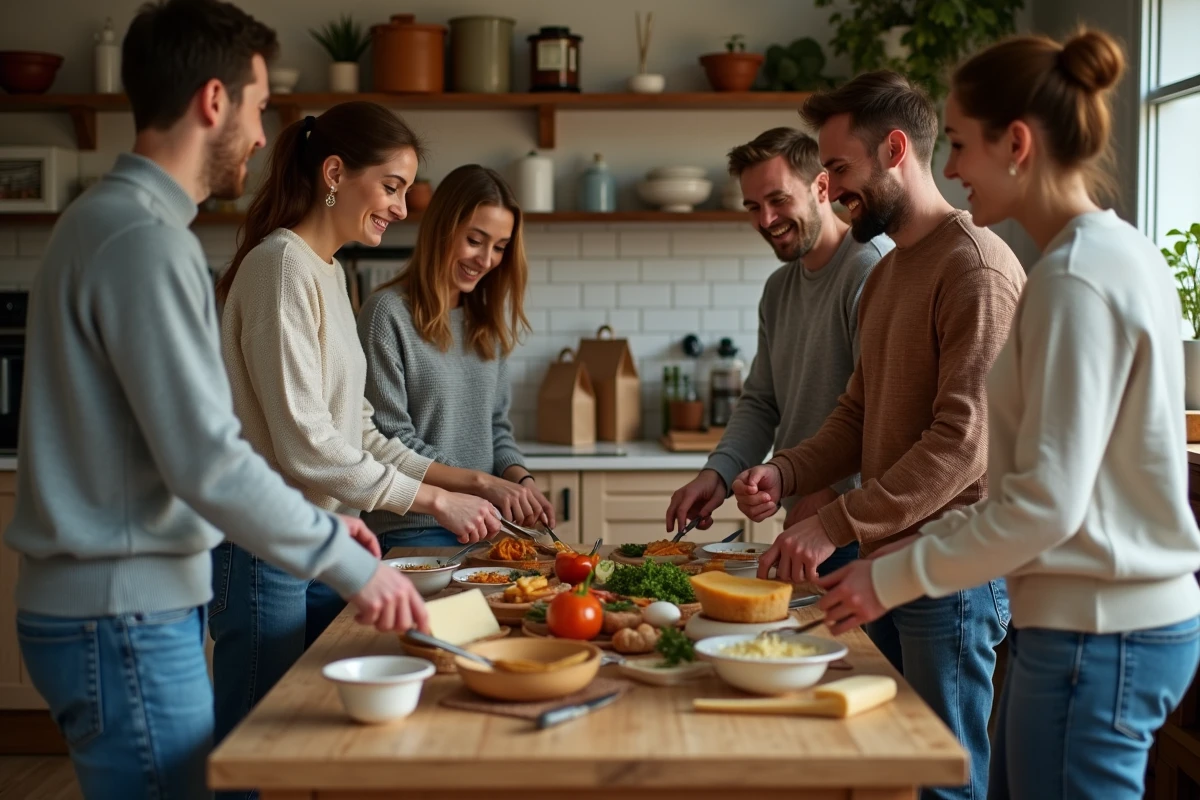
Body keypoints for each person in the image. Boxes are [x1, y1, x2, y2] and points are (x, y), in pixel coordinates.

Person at [6, 2, 427, 798]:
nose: (266, 136)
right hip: (122, 612)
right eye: (260, 107)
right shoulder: (142, 238)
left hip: (106, 606)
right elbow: (207, 457)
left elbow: (160, 450)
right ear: (213, 101)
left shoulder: (104, 221)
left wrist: (317, 521)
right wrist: (346, 563)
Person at [817, 30, 1200, 800]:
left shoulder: (1076, 279)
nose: (950, 168)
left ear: (1016, 143)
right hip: (1100, 619)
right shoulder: (1105, 257)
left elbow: (1041, 503)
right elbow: (1029, 486)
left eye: (959, 144)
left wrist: (891, 574)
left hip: (1101, 628)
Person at [213, 106, 548, 768]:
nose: (401, 206)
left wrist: (475, 486)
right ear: (335, 174)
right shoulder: (280, 266)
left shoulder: (327, 272)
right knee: (257, 748)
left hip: (327, 540)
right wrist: (436, 500)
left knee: (303, 740)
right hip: (268, 549)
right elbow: (308, 445)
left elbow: (358, 434)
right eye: (393, 186)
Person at [732, 71, 1025, 800]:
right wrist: (788, 473)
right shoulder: (893, 273)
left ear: (895, 150)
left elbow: (962, 446)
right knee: (887, 767)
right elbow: (859, 415)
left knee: (942, 779)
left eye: (837, 168)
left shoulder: (976, 268)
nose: (827, 186)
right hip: (888, 563)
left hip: (950, 569)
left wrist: (831, 523)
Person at [665, 127, 892, 573]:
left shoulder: (871, 267)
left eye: (778, 200)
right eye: (753, 206)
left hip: (851, 529)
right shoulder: (778, 289)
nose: (765, 220)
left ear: (822, 187)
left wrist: (830, 496)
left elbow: (885, 410)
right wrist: (719, 475)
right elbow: (761, 402)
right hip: (803, 520)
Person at [357, 164, 555, 548]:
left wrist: (521, 483)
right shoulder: (387, 314)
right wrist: (486, 485)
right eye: (475, 240)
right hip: (414, 527)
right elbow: (389, 440)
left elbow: (496, 429)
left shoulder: (484, 323)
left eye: (499, 247)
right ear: (442, 229)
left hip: (487, 525)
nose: (486, 260)